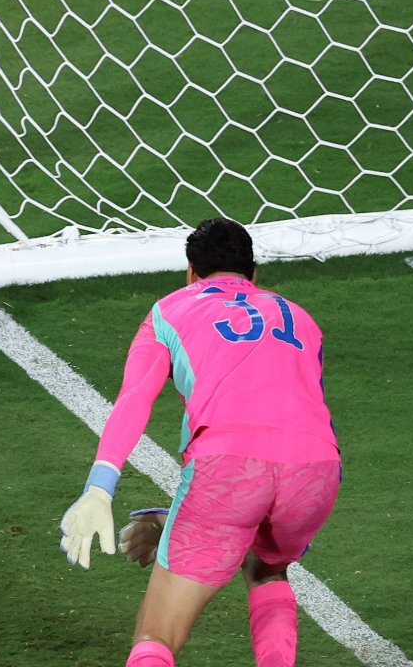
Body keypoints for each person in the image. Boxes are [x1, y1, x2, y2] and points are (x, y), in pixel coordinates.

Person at [58, 217, 340, 667]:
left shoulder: (169, 310)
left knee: (156, 636)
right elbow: (294, 422)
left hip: (227, 471)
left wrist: (100, 489)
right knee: (267, 568)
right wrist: (175, 517)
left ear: (191, 272)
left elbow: (135, 399)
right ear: (253, 274)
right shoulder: (301, 318)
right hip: (317, 469)